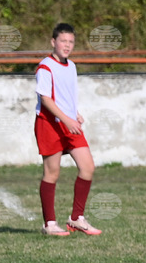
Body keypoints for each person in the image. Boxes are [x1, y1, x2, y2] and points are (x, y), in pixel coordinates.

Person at [35, 23, 101, 236]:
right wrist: (66, 119)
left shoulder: (71, 66)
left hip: (70, 123)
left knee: (87, 167)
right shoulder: (45, 67)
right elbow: (46, 99)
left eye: (71, 42)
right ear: (53, 42)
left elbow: (65, 95)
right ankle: (49, 224)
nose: (67, 45)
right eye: (63, 41)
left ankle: (76, 218)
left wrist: (75, 113)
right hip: (50, 124)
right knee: (52, 173)